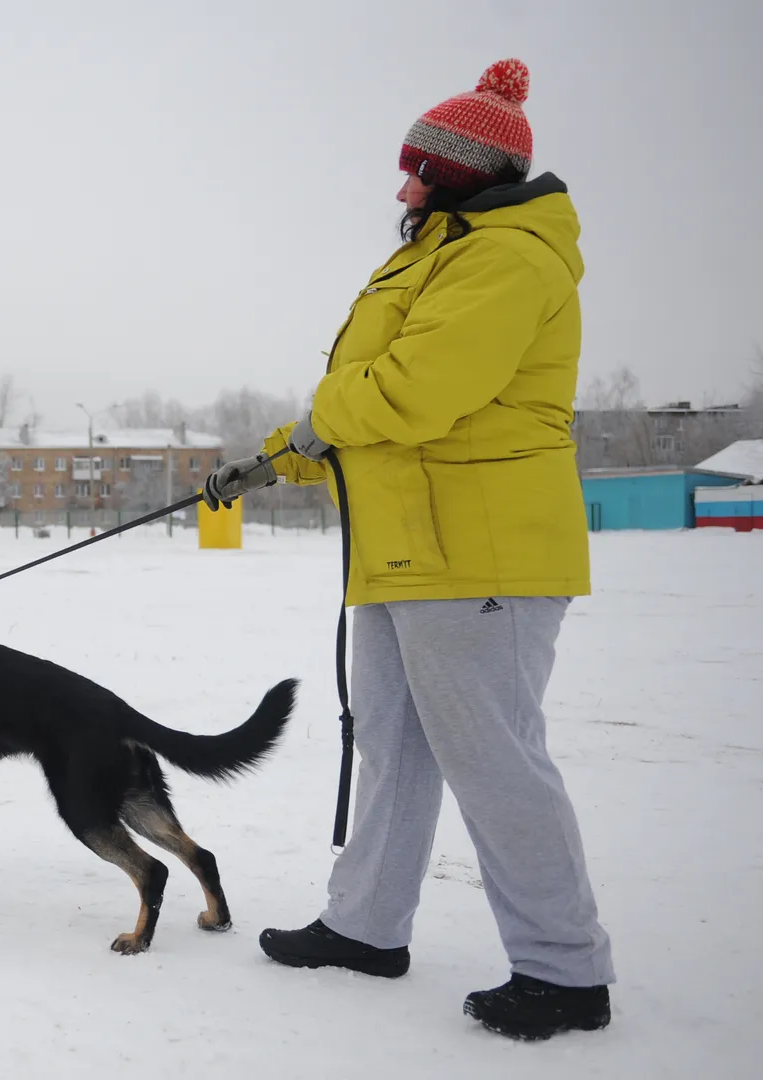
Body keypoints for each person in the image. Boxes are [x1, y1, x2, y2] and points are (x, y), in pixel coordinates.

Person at [204, 59, 613, 1041]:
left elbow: (412, 391)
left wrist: (316, 426)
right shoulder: (442, 250)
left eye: (417, 171)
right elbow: (363, 412)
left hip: (483, 555)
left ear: (464, 173)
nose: (401, 189)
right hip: (406, 552)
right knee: (389, 745)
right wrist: (272, 460)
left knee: (494, 760)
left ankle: (565, 969)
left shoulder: (508, 259)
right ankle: (366, 928)